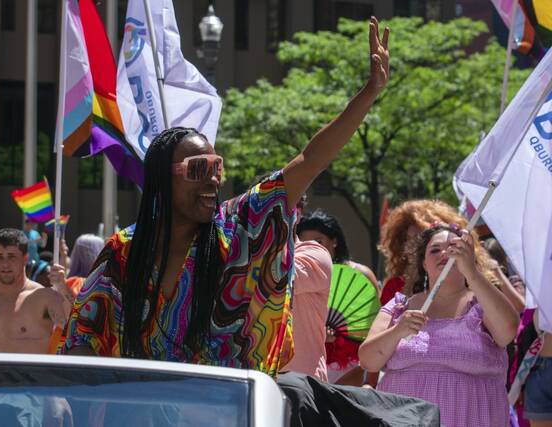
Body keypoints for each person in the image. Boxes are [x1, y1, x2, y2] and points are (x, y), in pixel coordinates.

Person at [59, 16, 390, 380]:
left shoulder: (239, 232)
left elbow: (310, 160)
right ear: (161, 179)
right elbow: (83, 337)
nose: (213, 181)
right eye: (198, 169)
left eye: (217, 168)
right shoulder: (124, 253)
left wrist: (370, 91)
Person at [359, 224, 519, 427]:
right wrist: (397, 331)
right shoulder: (400, 307)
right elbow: (368, 361)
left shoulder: (483, 302)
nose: (445, 253)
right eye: (435, 250)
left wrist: (472, 273)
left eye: (453, 246)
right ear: (424, 264)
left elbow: (507, 332)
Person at [296, 209, 378, 386]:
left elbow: (374, 328)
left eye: (319, 241)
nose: (312, 248)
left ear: (334, 242)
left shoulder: (361, 274)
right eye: (304, 242)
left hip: (351, 367)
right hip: (309, 363)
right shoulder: (301, 275)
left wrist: (371, 382)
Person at [283, 199, 333, 381]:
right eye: (263, 204)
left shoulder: (315, 253)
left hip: (304, 383)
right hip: (256, 379)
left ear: (297, 212)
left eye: (282, 203)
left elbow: (275, 278)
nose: (272, 211)